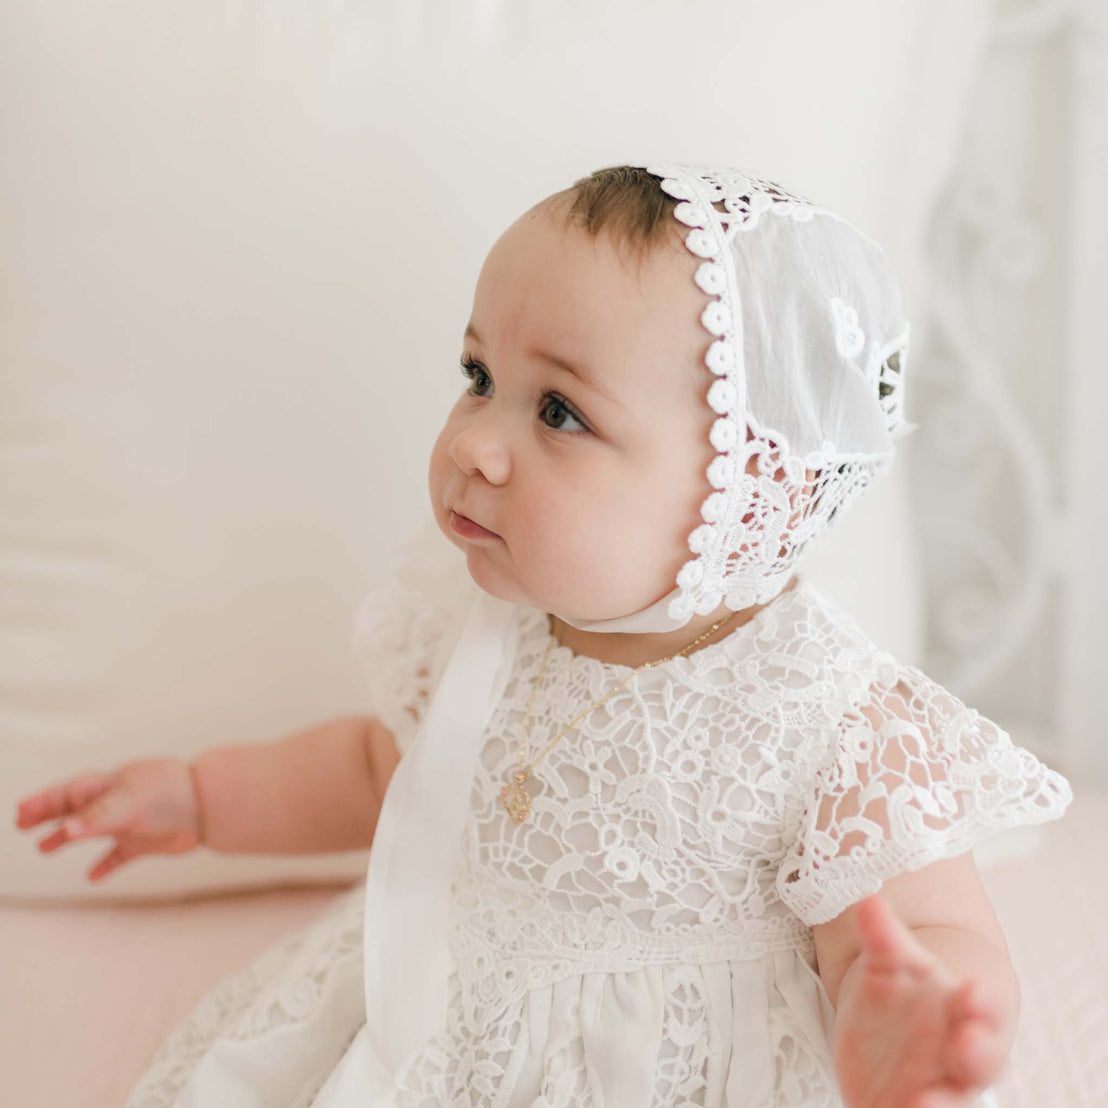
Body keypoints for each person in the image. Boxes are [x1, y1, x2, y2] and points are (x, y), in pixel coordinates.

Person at [14, 163, 1073, 1108]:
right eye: (478, 377)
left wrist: (919, 1014)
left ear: (750, 484)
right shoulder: (495, 623)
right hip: (428, 997)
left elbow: (928, 928)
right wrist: (203, 798)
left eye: (558, 412)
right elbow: (386, 769)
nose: (474, 442)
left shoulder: (829, 714)